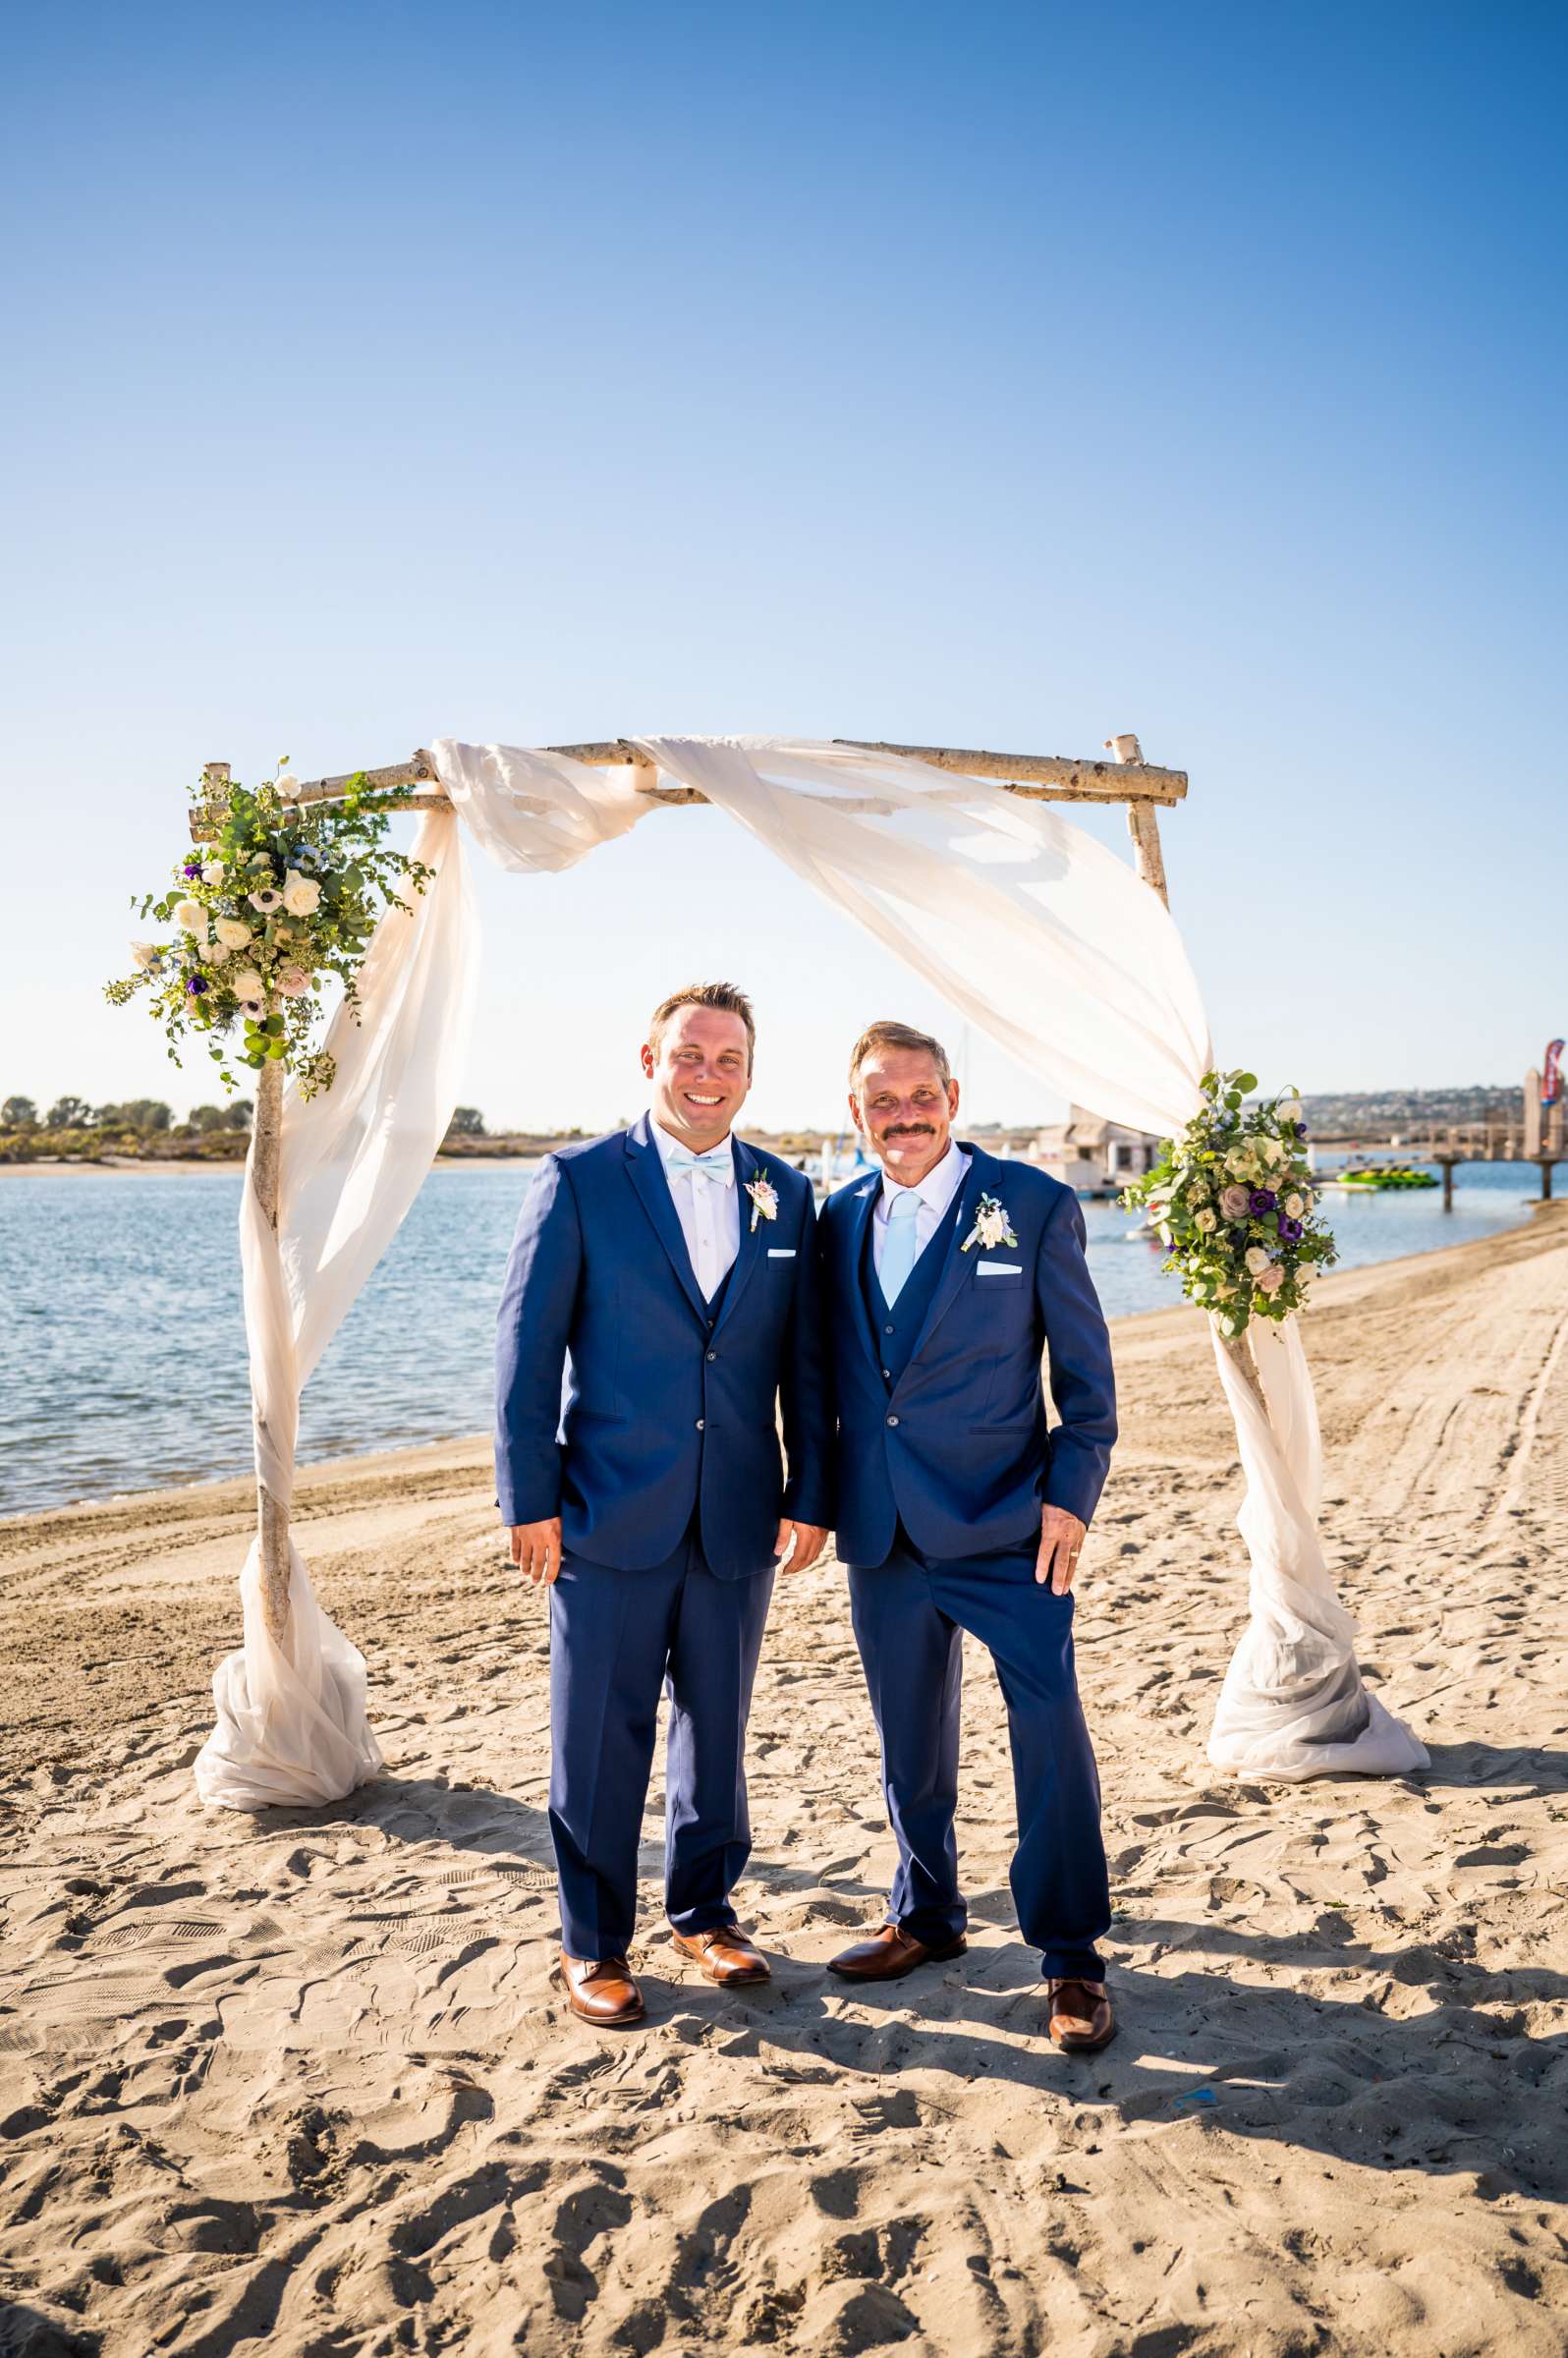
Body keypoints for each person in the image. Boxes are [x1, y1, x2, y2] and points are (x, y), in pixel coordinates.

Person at [495, 982, 832, 2027]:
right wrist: (529, 1497)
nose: (707, 1076)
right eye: (689, 1055)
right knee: (599, 1736)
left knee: (718, 1731)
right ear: (650, 1062)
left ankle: (705, 1912)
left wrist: (810, 1489)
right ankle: (593, 1943)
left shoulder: (787, 1190)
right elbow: (525, 1349)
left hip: (738, 1513)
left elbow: (803, 1363)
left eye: (728, 1060)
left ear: (749, 1072)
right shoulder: (579, 1180)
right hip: (604, 1511)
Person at [817, 1020, 1119, 2052]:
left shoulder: (1032, 1206)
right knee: (910, 1744)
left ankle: (1073, 1958)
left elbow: (1086, 1387)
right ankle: (927, 1914)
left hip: (1010, 1526)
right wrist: (812, 1497)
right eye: (879, 1099)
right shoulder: (835, 1218)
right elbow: (821, 1385)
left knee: (1049, 1735)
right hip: (885, 1531)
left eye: (918, 1095)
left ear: (952, 1095)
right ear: (854, 1111)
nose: (901, 1115)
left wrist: (1070, 1502)